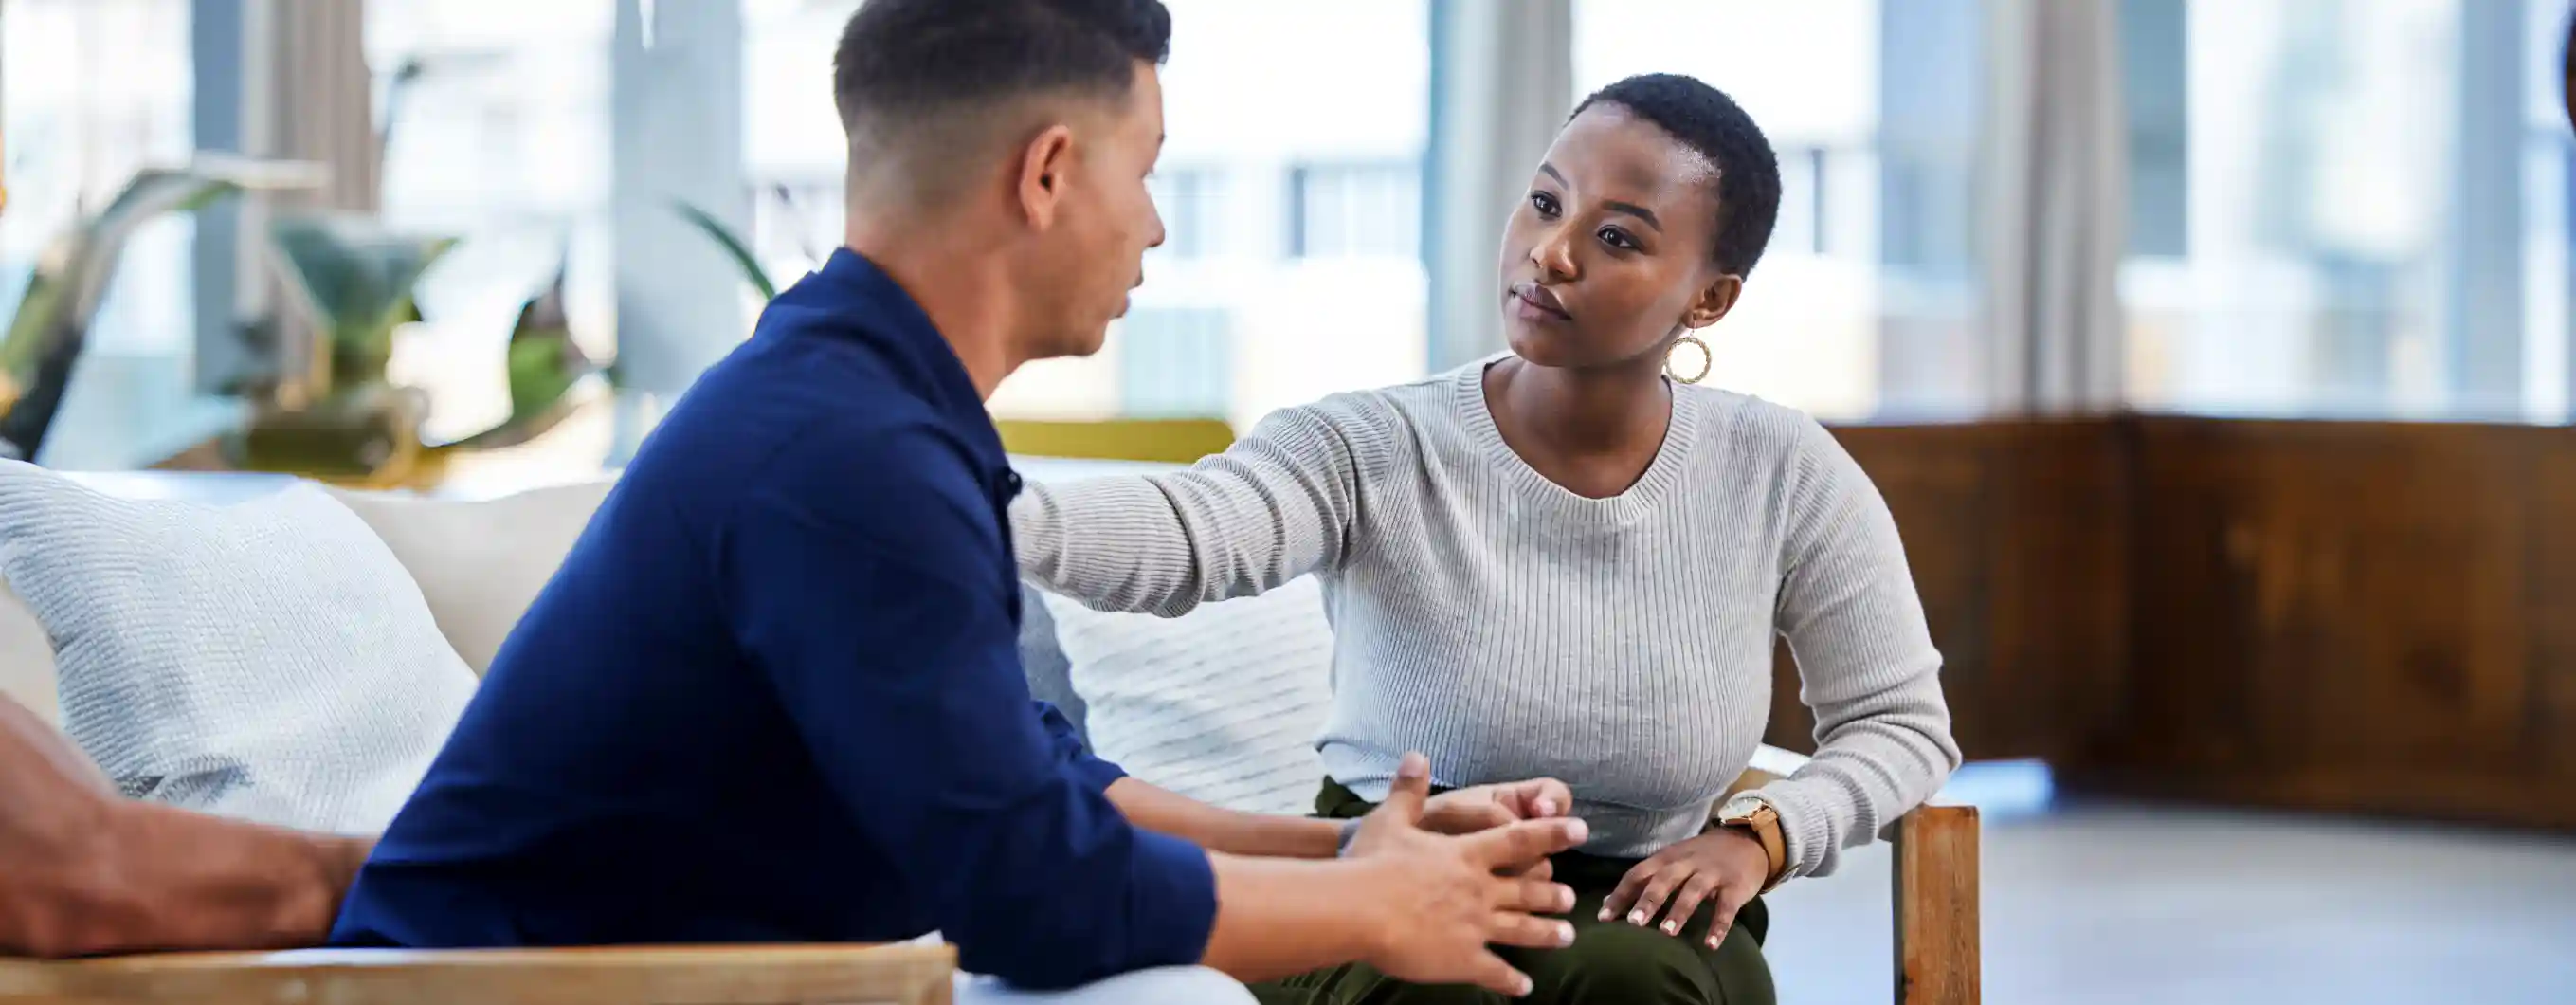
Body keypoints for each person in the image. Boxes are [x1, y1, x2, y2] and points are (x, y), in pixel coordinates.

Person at [327, 2, 1596, 1001]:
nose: (1153, 227)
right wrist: (1384, 912)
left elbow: (1041, 788)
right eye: (1144, 171)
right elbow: (1032, 898)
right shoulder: (842, 452)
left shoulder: (867, 405)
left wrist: (1360, 850)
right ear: (1046, 173)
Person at [1015, 74, 1964, 1005]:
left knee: (1632, 976)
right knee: (1452, 983)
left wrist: (1761, 835)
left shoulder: (1783, 469)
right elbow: (1197, 530)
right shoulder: (1371, 443)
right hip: (1393, 867)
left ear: (1707, 299)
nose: (1550, 252)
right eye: (1545, 202)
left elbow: (1901, 721)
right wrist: (976, 506)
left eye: (1617, 236)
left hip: (1645, 901)